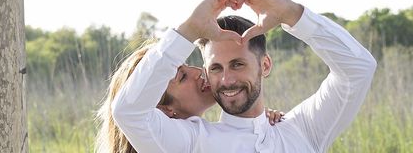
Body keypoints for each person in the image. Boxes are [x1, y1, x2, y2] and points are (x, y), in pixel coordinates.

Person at [112, 0, 377, 152]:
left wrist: (291, 13)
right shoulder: (192, 142)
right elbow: (129, 112)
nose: (226, 79)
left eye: (237, 64)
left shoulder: (303, 129)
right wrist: (190, 29)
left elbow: (359, 68)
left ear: (265, 65)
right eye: (215, 68)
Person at [96, 39, 285, 153]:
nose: (197, 72)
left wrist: (256, 121)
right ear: (164, 109)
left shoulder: (203, 137)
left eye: (187, 65)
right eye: (182, 76)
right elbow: (128, 111)